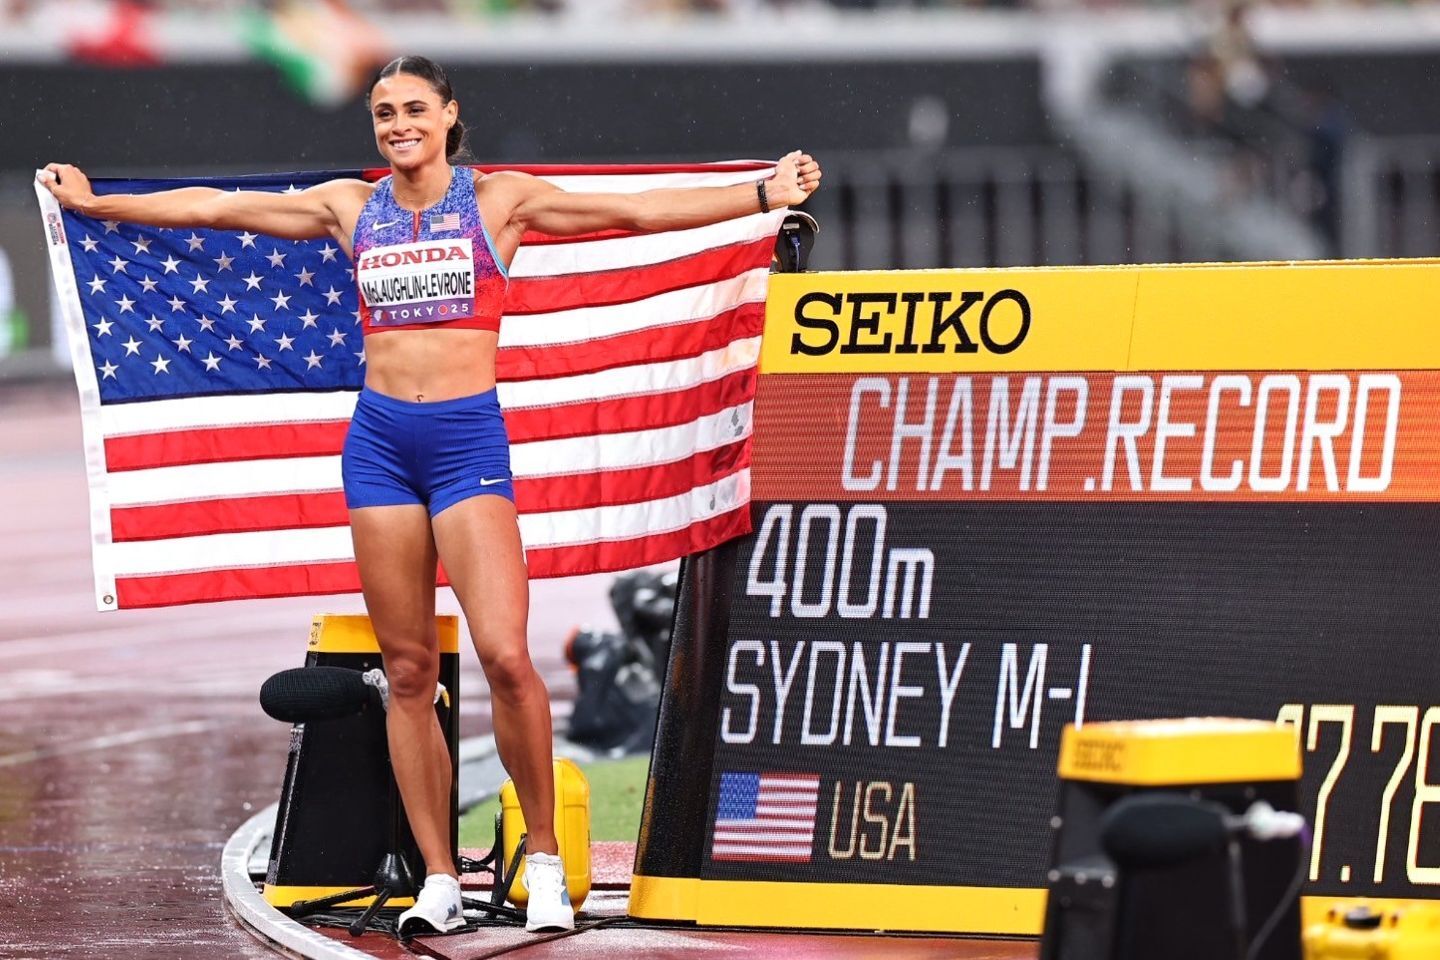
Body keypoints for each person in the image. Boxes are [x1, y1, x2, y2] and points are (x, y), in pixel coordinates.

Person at [38, 55, 821, 936]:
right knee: (408, 670)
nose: (398, 123)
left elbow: (636, 212)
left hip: (464, 447)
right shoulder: (350, 206)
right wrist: (99, 203)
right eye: (382, 112)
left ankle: (549, 868)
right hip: (378, 450)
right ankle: (439, 877)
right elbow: (219, 209)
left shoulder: (500, 202)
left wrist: (762, 195)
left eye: (414, 108)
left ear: (450, 115)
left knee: (506, 656)